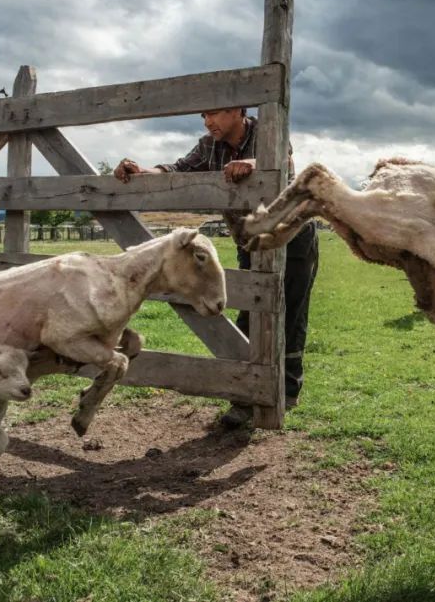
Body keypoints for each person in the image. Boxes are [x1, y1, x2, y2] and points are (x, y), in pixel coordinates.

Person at [115, 107, 318, 428]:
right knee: (248, 312)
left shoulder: (268, 132)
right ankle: (244, 395)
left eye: (216, 114)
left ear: (238, 111)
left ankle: (287, 391)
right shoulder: (209, 145)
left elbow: (284, 165)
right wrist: (144, 170)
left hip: (291, 237)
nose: (209, 122)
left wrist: (253, 165)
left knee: (290, 312)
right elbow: (178, 168)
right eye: (204, 117)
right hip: (249, 240)